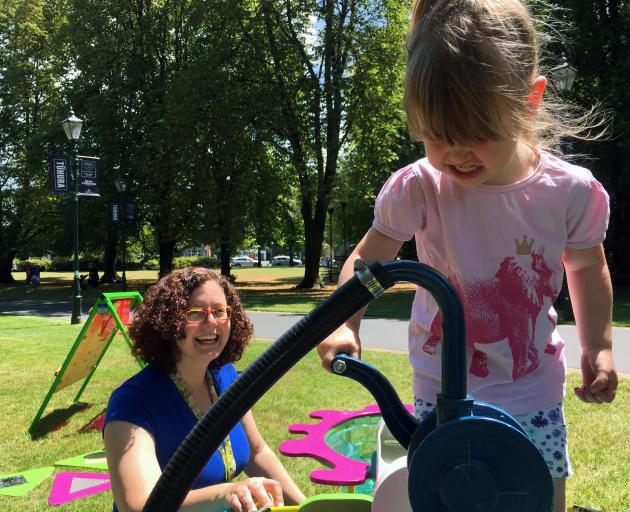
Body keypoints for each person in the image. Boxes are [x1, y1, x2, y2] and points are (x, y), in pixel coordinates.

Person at [317, 1, 618, 511]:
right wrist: (343, 323)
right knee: (447, 496)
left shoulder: (569, 192)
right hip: (444, 388)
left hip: (532, 392)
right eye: (435, 135)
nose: (454, 153)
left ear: (529, 101)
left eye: (475, 134)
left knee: (537, 496)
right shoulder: (418, 187)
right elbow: (368, 263)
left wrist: (599, 345)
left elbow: (586, 266)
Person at [104, 267, 305, 512]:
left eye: (220, 312)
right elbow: (139, 505)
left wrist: (307, 507)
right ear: (168, 321)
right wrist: (227, 492)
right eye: (196, 313)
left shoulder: (226, 376)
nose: (211, 322)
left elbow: (256, 452)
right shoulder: (133, 402)